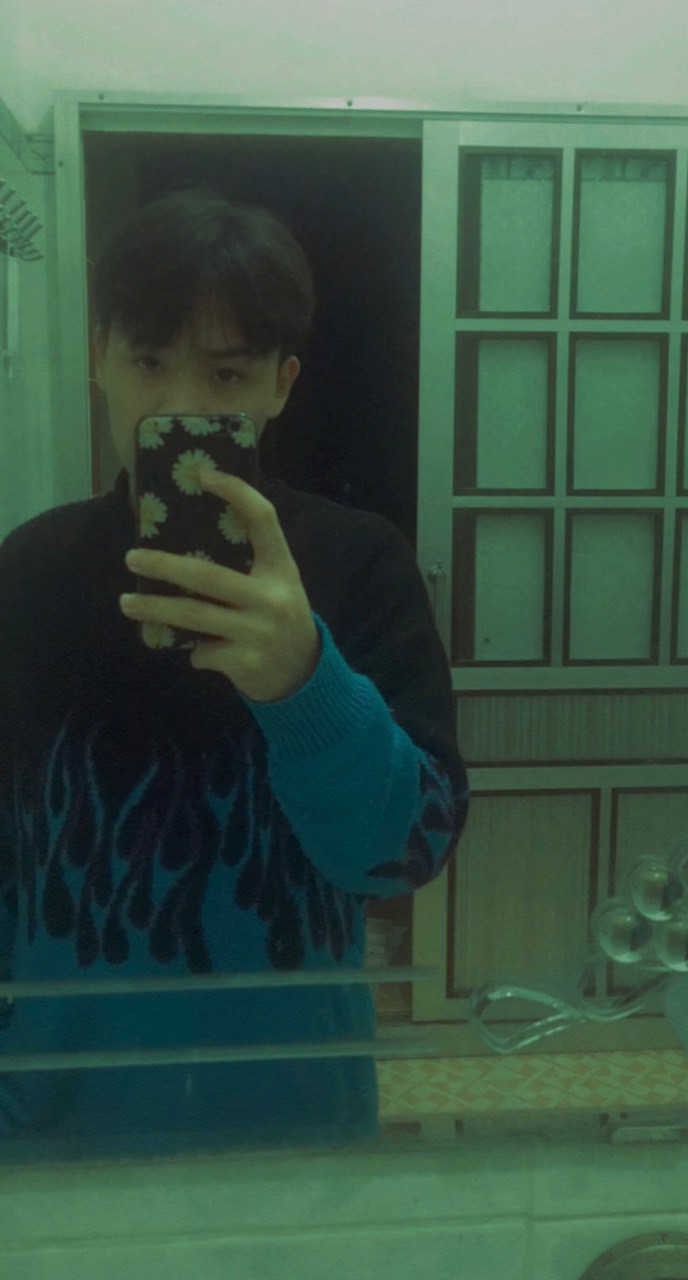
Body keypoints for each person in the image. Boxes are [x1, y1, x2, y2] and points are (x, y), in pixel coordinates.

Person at [0, 186, 469, 1159]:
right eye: (148, 361)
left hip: (295, 1126)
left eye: (225, 373)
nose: (181, 406)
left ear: (279, 384)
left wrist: (307, 685)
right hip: (56, 1124)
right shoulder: (30, 569)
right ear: (99, 357)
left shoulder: (359, 563)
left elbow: (403, 855)